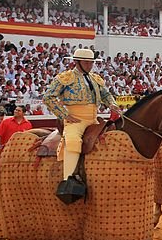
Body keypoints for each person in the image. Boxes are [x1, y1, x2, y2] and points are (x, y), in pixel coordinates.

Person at [42, 48, 122, 201]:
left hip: (94, 119)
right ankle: (68, 180)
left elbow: (105, 94)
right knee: (72, 141)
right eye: (87, 62)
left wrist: (112, 104)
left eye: (92, 62)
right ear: (77, 62)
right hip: (76, 119)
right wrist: (64, 115)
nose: (90, 65)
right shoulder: (65, 77)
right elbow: (48, 97)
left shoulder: (95, 78)